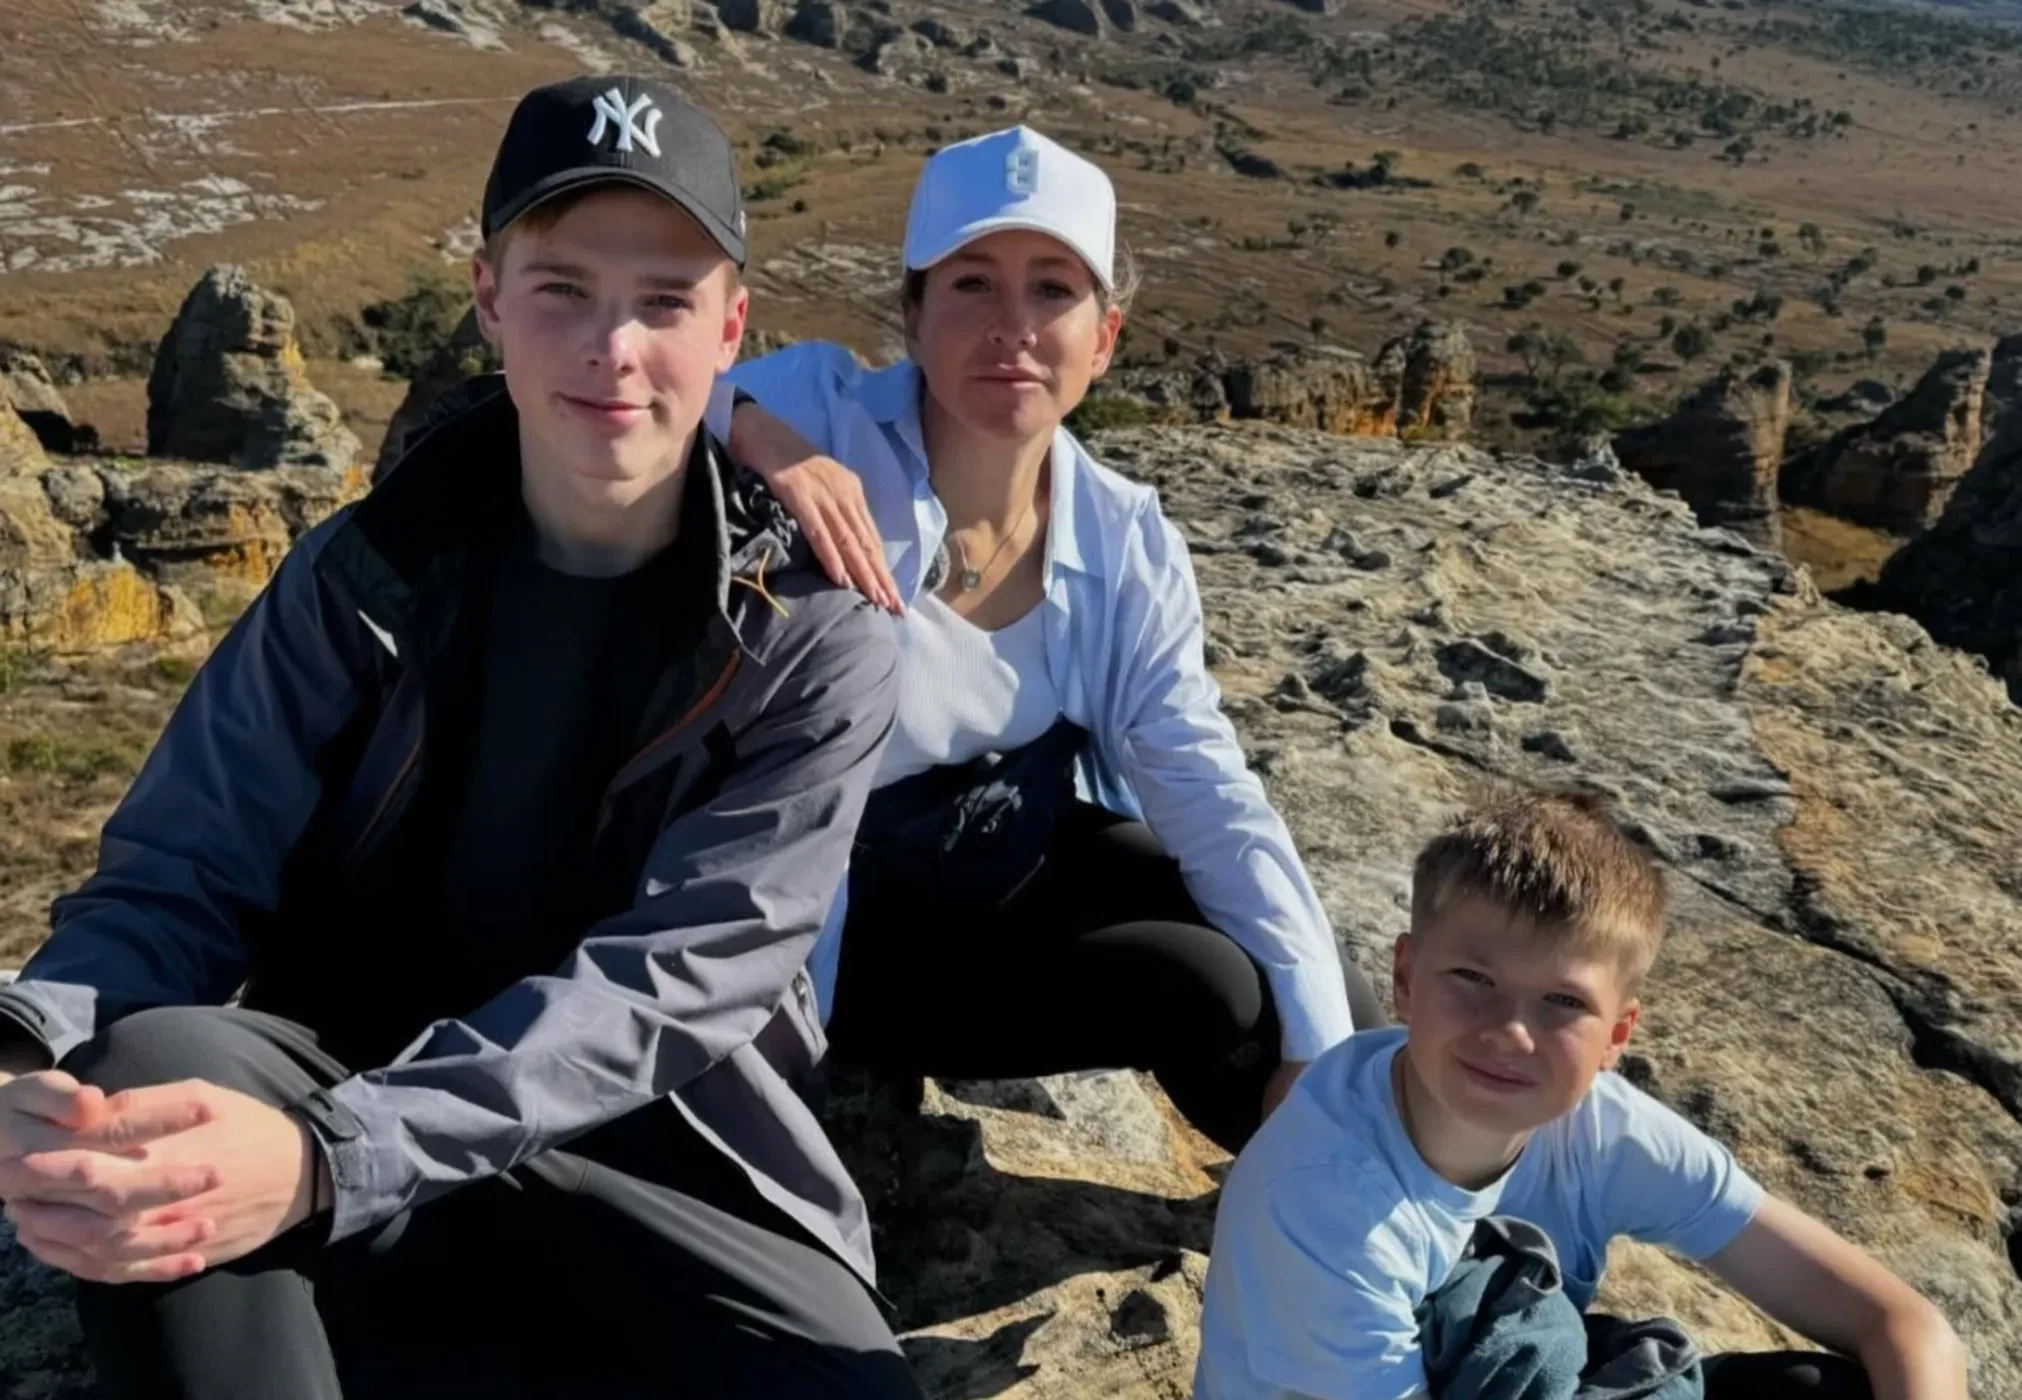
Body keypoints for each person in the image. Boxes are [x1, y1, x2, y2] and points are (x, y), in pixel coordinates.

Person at [0, 75, 919, 1399]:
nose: (613, 346)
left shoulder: (812, 638)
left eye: (665, 301)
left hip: (649, 1163)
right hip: (338, 1099)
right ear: (488, 298)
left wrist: (334, 1158)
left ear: (732, 327)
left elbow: (675, 984)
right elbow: (181, 872)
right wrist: (27, 1042)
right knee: (152, 1084)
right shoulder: (363, 573)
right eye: (562, 290)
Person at [711, 125, 1384, 1154]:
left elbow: (1201, 782)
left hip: (997, 846)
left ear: (1104, 338)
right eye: (973, 283)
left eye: (1053, 290)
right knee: (1205, 984)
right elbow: (635, 388)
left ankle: (1370, 1187)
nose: (1011, 328)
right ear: (913, 315)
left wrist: (1318, 1036)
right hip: (837, 908)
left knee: (1315, 988)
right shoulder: (824, 414)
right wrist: (756, 434)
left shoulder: (1121, 536)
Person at [1193, 787, 1968, 1400]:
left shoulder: (1602, 1134)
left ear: (1617, 1034)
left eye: (1562, 1002)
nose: (1510, 1033)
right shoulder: (1324, 1198)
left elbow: (1901, 1323)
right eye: (1473, 979)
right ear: (1404, 978)